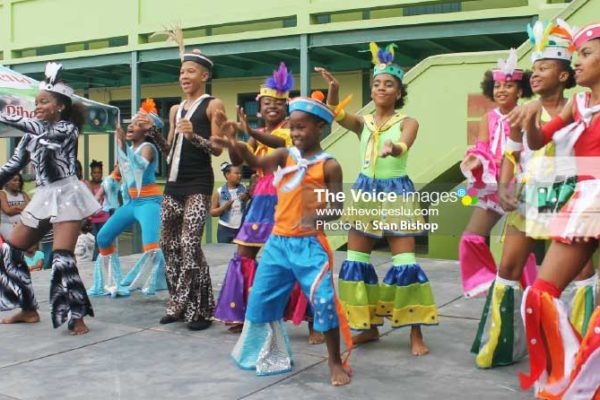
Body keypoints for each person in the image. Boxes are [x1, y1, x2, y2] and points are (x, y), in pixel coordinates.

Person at [471, 20, 596, 369]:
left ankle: (581, 349)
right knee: (509, 267)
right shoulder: (523, 111)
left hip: (571, 195)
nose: (535, 74)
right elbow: (511, 154)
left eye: (544, 68)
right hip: (531, 195)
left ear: (564, 75)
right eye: (534, 69)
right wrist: (505, 186)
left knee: (582, 273)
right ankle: (500, 346)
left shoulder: (579, 104)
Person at [221, 93, 352, 386]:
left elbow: (336, 208)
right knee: (260, 299)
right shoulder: (284, 155)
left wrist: (314, 218)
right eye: (292, 127)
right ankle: (268, 352)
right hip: (278, 244)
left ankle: (334, 361)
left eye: (301, 127)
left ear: (320, 127)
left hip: (310, 245)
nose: (295, 133)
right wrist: (235, 140)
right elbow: (255, 161)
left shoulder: (330, 165)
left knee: (324, 300)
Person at [318, 43, 437, 355]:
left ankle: (415, 333)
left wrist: (393, 148)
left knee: (406, 263)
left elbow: (404, 145)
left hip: (397, 192)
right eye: (376, 83)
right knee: (356, 261)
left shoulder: (408, 121)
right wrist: (333, 89)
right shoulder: (364, 122)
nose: (381, 88)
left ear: (398, 92)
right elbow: (336, 114)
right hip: (365, 191)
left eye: (389, 84)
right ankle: (368, 328)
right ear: (371, 90)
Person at [510, 22, 600, 399]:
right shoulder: (576, 104)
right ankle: (571, 380)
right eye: (576, 55)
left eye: (586, 54)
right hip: (582, 199)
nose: (577, 62)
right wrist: (531, 116)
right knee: (540, 295)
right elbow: (537, 142)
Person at [0, 62, 99, 335]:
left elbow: (38, 129)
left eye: (44, 101)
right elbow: (12, 166)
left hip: (68, 194)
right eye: (36, 102)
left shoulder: (67, 129)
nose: (38, 106)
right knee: (11, 250)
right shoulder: (30, 136)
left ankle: (77, 316)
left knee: (62, 257)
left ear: (61, 106)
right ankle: (28, 308)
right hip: (44, 196)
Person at [149, 27, 227, 331]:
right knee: (168, 245)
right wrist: (153, 132)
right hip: (173, 184)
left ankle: (186, 305)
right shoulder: (174, 109)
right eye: (182, 72)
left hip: (199, 183)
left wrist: (194, 136)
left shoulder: (213, 105)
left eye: (190, 71)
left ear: (204, 76)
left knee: (190, 243)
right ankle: (193, 306)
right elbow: (169, 151)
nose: (184, 76)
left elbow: (218, 149)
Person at [214, 63, 296, 333]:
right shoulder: (257, 134)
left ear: (286, 107)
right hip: (261, 197)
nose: (273, 107)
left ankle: (308, 319)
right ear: (259, 107)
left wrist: (248, 132)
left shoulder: (290, 129)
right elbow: (239, 160)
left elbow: (279, 144)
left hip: (285, 197)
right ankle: (242, 313)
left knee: (293, 257)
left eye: (279, 103)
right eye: (268, 103)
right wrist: (232, 139)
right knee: (244, 253)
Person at [458, 49, 535, 298]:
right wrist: (475, 159)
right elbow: (481, 147)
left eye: (509, 86)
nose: (501, 90)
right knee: (470, 237)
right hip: (493, 185)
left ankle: (528, 295)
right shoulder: (488, 118)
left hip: (520, 185)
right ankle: (488, 283)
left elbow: (534, 147)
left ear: (520, 91)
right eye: (498, 86)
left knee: (519, 250)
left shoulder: (527, 114)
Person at [88, 99, 167, 298]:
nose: (131, 126)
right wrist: (97, 197)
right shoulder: (127, 151)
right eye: (130, 123)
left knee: (151, 246)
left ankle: (151, 283)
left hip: (149, 202)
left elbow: (139, 166)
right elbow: (115, 176)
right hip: (131, 203)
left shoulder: (148, 148)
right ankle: (112, 282)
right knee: (103, 238)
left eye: (137, 124)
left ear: (147, 131)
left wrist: (123, 146)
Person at [210, 162, 249, 244]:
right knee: (224, 251)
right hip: (225, 229)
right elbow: (212, 212)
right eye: (236, 173)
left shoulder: (244, 188)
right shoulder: (219, 192)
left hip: (241, 228)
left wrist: (246, 197)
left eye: (240, 173)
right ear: (227, 175)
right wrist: (223, 207)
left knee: (239, 251)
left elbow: (249, 201)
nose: (239, 176)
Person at [86, 160, 110, 261]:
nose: (97, 175)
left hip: (104, 218)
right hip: (92, 219)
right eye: (94, 172)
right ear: (91, 173)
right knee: (94, 243)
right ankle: (95, 262)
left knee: (103, 241)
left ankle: (104, 260)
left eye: (99, 172)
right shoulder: (88, 185)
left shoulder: (105, 184)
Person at [0, 173, 30, 240]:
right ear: (6, 182)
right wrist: (23, 207)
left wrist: (14, 208)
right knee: (16, 243)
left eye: (19, 180)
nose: (18, 182)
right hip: (8, 226)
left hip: (24, 225)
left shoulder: (23, 194)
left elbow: (31, 209)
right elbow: (8, 211)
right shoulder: (2, 193)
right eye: (15, 180)